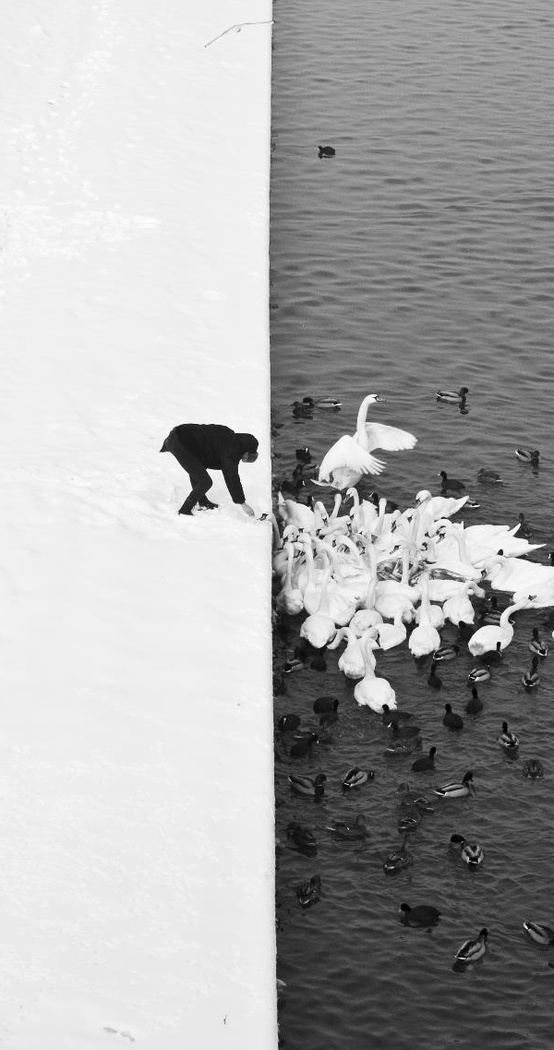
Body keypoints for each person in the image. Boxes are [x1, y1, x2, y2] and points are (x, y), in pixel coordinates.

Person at [160, 423, 259, 516]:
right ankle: (184, 510)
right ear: (246, 450)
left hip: (179, 433)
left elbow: (207, 443)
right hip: (181, 444)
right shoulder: (231, 452)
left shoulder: (228, 434)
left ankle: (202, 502)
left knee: (199, 470)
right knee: (205, 482)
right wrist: (243, 503)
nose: (242, 459)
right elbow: (232, 478)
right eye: (246, 457)